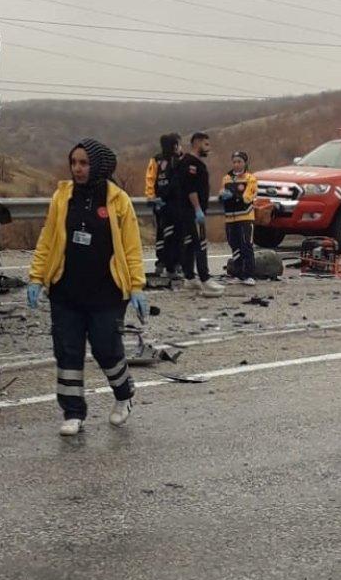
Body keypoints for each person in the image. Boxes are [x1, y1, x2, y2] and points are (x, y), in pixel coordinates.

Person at [27, 138, 147, 436]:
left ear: (99, 166)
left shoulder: (118, 200)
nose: (77, 169)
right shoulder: (62, 197)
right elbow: (47, 239)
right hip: (66, 291)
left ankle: (124, 394)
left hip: (106, 293)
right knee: (67, 351)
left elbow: (131, 247)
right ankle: (73, 412)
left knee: (106, 348)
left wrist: (137, 286)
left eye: (84, 163)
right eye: (74, 163)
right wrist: (37, 277)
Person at [175, 131, 225, 296]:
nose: (208, 148)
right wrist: (197, 209)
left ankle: (189, 277)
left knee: (190, 243)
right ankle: (205, 279)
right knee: (200, 243)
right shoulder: (190, 163)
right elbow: (191, 189)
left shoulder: (193, 163)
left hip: (190, 210)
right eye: (206, 144)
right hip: (191, 210)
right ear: (197, 143)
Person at [144, 132, 182, 282]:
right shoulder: (156, 160)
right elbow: (150, 178)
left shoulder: (180, 159)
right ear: (174, 145)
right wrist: (152, 197)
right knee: (162, 233)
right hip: (161, 203)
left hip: (176, 203)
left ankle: (176, 263)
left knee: (176, 234)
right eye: (178, 144)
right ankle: (162, 262)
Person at [220, 150, 258, 285]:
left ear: (245, 163)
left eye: (239, 161)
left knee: (246, 245)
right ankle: (237, 274)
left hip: (245, 217)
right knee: (234, 246)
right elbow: (222, 195)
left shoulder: (250, 178)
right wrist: (222, 197)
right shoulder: (226, 178)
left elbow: (247, 198)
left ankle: (249, 275)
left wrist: (234, 196)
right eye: (234, 162)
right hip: (230, 218)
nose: (236, 164)